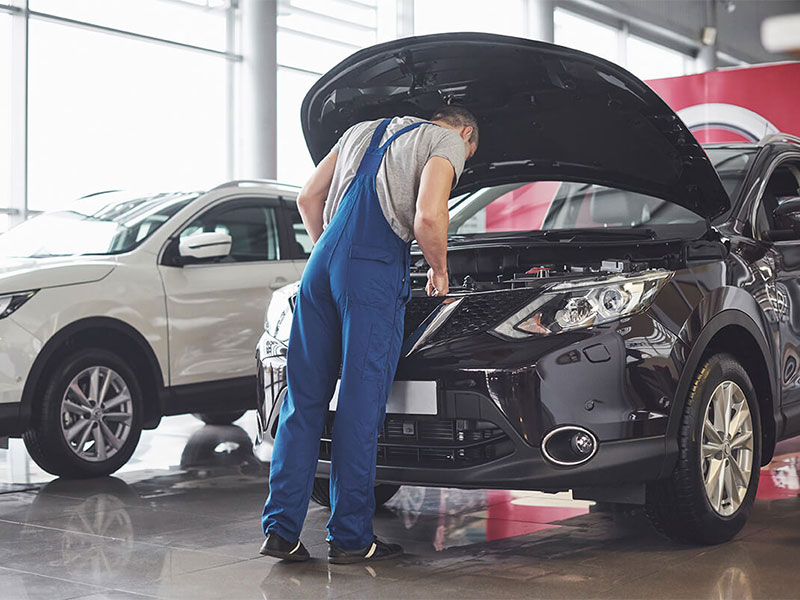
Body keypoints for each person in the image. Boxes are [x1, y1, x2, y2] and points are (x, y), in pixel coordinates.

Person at [260, 106, 479, 564]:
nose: (464, 161)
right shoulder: (448, 141)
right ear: (465, 131)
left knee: (303, 402)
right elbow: (427, 217)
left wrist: (332, 253)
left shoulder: (359, 130)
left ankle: (280, 530)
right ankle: (351, 538)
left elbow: (307, 199)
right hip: (372, 270)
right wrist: (439, 270)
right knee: (360, 407)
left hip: (321, 265)